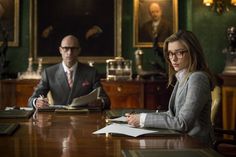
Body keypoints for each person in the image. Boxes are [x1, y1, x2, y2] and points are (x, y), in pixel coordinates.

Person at [127, 30, 215, 146]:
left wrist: (143, 119)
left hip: (196, 146)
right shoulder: (183, 76)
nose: (173, 59)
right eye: (170, 53)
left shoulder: (197, 78)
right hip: (182, 141)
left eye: (179, 53)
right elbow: (171, 114)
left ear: (193, 52)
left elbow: (182, 123)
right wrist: (139, 117)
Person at [28, 35, 110, 110]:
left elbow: (106, 100)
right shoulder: (49, 73)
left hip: (84, 118)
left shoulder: (91, 72)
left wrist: (100, 102)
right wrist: (36, 102)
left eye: (73, 49)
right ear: (60, 50)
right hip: (58, 120)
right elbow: (32, 99)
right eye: (66, 48)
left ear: (79, 50)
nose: (69, 53)